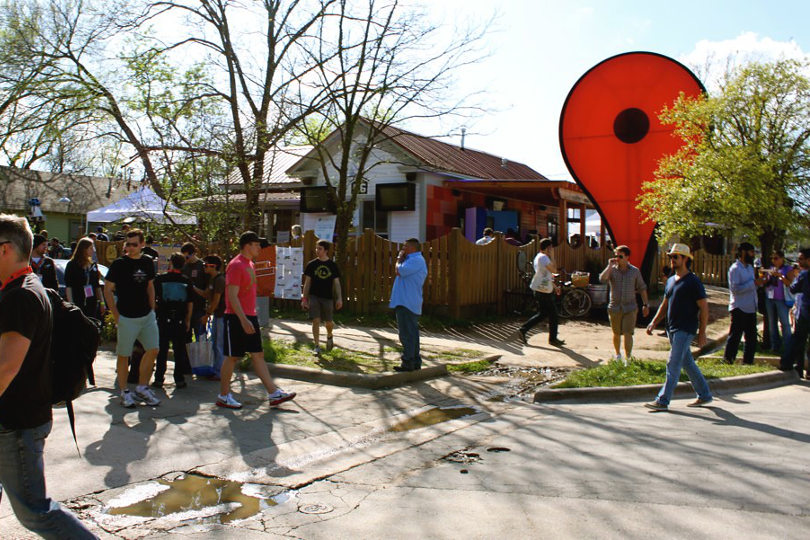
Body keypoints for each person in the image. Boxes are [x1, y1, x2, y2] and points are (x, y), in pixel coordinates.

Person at [0, 213, 97, 539]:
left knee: (35, 511)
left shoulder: (22, 296)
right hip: (13, 418)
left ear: (5, 250)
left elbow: (6, 367)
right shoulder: (19, 288)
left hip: (16, 424)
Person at [218, 231, 296, 409]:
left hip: (250, 316)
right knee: (232, 357)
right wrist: (243, 319)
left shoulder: (250, 264)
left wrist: (251, 316)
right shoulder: (236, 265)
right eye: (257, 244)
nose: (260, 248)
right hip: (236, 317)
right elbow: (232, 296)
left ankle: (273, 393)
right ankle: (223, 396)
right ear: (248, 246)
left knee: (258, 355)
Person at [645, 243, 713, 411]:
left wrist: (702, 333)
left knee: (673, 363)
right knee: (687, 362)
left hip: (686, 328)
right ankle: (704, 395)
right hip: (672, 329)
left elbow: (704, 308)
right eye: (671, 257)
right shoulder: (670, 281)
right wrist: (654, 322)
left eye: (675, 257)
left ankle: (663, 400)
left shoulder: (693, 282)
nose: (672, 260)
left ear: (685, 259)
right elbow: (665, 304)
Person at [103, 228, 162, 408]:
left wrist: (152, 306)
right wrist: (115, 314)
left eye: (134, 244)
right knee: (123, 355)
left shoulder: (147, 262)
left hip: (146, 315)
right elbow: (107, 289)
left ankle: (142, 388)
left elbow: (150, 285)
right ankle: (124, 391)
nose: (130, 247)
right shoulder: (119, 264)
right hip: (126, 316)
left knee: (153, 349)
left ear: (142, 244)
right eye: (127, 244)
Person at [599, 244, 649, 362]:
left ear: (627, 257)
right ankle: (617, 355)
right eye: (616, 256)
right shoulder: (612, 270)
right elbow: (602, 279)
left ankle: (628, 357)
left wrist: (646, 304)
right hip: (615, 307)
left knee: (628, 333)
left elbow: (642, 287)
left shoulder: (635, 271)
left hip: (630, 307)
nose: (617, 259)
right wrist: (609, 266)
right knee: (616, 333)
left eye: (620, 256)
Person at [152, 253, 193, 389]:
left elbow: (152, 298)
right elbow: (190, 303)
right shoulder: (186, 280)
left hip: (163, 318)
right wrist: (188, 319)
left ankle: (159, 378)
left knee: (162, 349)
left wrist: (157, 309)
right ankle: (179, 379)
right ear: (183, 264)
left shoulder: (160, 279)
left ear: (170, 263)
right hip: (180, 319)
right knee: (179, 350)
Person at [389, 238, 428, 372]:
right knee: (411, 333)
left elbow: (399, 271)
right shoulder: (412, 260)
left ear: (412, 248)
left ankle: (408, 361)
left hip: (407, 302)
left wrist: (398, 259)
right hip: (405, 300)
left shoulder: (416, 260)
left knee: (406, 334)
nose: (403, 249)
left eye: (405, 246)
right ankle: (415, 361)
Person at [518, 238, 565, 347]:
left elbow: (545, 275)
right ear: (548, 248)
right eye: (551, 247)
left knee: (543, 314)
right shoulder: (543, 258)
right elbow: (554, 270)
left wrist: (554, 286)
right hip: (543, 291)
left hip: (541, 288)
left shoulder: (539, 257)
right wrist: (552, 256)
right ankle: (552, 339)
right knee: (553, 314)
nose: (552, 249)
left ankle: (523, 330)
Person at [301, 240, 343, 354]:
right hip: (314, 296)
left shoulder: (332, 265)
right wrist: (304, 299)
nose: (317, 250)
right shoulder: (312, 264)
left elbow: (337, 283)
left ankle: (329, 335)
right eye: (316, 248)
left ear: (326, 250)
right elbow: (307, 283)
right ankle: (317, 346)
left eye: (319, 248)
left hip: (328, 297)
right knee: (316, 320)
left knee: (328, 322)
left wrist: (339, 298)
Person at [723, 242, 760, 365]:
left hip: (751, 307)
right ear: (743, 252)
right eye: (751, 252)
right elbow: (735, 289)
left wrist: (759, 283)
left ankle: (748, 361)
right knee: (735, 336)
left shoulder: (750, 268)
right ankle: (728, 359)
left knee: (751, 337)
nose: (753, 255)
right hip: (739, 307)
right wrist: (753, 284)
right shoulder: (735, 269)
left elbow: (753, 285)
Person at [781, 248, 810, 378]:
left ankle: (797, 368)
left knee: (799, 340)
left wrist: (796, 277)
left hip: (805, 313)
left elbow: (793, 289)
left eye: (801, 259)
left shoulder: (804, 275)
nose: (799, 262)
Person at [764, 250, 796, 353]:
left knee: (784, 323)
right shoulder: (772, 268)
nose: (774, 261)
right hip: (770, 298)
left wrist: (780, 276)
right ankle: (775, 346)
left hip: (781, 299)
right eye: (772, 258)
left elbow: (789, 283)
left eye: (776, 258)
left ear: (782, 258)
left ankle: (788, 346)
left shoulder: (788, 269)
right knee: (772, 323)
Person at [64, 237, 103, 318]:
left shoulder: (93, 265)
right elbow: (69, 286)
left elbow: (97, 286)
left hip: (91, 303)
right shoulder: (72, 265)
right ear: (84, 249)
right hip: (77, 303)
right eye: (91, 248)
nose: (93, 250)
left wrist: (102, 303)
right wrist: (71, 304)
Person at [204, 255, 226, 379]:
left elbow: (216, 301)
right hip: (217, 315)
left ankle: (220, 372)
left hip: (222, 315)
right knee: (214, 343)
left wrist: (207, 315)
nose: (204, 268)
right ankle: (215, 368)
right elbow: (206, 294)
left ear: (214, 266)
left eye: (206, 265)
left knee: (219, 344)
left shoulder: (219, 280)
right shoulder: (212, 279)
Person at [181, 242, 209, 341]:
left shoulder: (202, 266)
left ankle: (202, 356)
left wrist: (194, 288)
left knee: (201, 338)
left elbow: (208, 291)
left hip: (199, 308)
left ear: (193, 254)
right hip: (186, 308)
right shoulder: (184, 267)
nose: (186, 260)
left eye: (187, 257)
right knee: (186, 339)